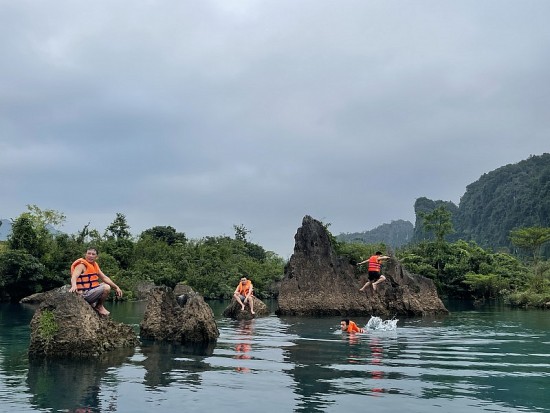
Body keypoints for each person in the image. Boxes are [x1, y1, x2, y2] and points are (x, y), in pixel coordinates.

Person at [69, 247, 123, 316]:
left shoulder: (94, 265)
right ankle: (99, 306)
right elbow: (74, 276)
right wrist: (74, 285)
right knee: (106, 287)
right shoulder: (81, 265)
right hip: (84, 294)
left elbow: (104, 277)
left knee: (104, 284)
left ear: (96, 257)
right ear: (85, 254)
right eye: (89, 253)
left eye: (93, 254)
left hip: (90, 291)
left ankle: (97, 305)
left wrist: (116, 287)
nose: (90, 256)